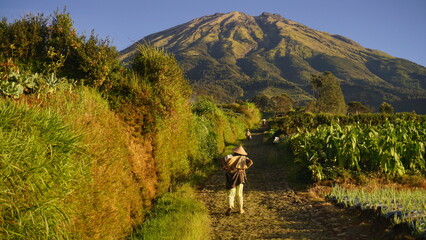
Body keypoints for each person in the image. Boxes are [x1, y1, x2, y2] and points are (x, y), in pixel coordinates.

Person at [221, 145, 253, 216]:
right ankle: (240, 209)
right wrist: (245, 167)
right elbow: (250, 162)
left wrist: (224, 167)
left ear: (235, 152)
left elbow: (223, 159)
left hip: (231, 175)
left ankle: (230, 206)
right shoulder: (244, 158)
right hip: (240, 176)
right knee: (239, 194)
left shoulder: (229, 156)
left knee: (230, 193)